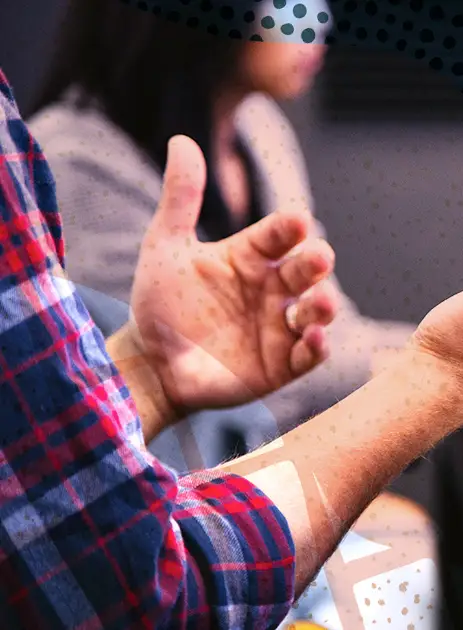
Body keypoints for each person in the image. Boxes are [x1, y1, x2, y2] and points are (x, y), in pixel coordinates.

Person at [0, 64, 463, 627]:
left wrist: (149, 374)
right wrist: (449, 373)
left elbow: (34, 473)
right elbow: (139, 590)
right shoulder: (75, 156)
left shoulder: (258, 128)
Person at [25, 0, 417, 466]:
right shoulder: (72, 165)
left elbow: (326, 332)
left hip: (251, 484)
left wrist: (448, 358)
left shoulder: (258, 126)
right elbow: (220, 396)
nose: (317, 20)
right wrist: (439, 362)